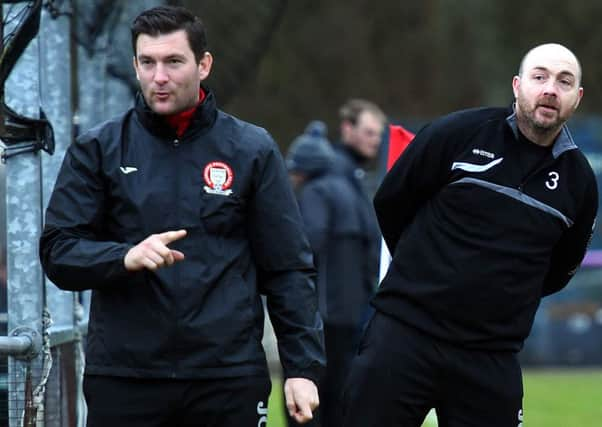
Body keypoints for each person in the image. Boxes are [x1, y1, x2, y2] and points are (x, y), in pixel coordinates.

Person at [39, 6, 324, 427]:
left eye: (173, 61)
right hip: (125, 377)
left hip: (226, 378)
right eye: (148, 62)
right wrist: (123, 257)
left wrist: (302, 367)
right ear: (135, 65)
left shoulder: (251, 149)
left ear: (203, 64)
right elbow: (59, 251)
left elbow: (288, 268)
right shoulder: (97, 149)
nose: (159, 77)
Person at [341, 43, 598, 427]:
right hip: (405, 335)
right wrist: (424, 271)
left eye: (564, 82)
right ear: (517, 85)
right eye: (539, 77)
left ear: (576, 98)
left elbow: (559, 269)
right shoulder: (458, 133)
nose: (550, 89)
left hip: (491, 357)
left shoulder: (580, 183)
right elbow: (393, 202)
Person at [287, 105, 385, 426]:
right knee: (326, 402)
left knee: (324, 402)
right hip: (336, 318)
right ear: (347, 128)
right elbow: (312, 248)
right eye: (369, 132)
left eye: (378, 135)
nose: (376, 141)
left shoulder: (341, 183)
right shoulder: (336, 182)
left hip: (337, 316)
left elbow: (309, 248)